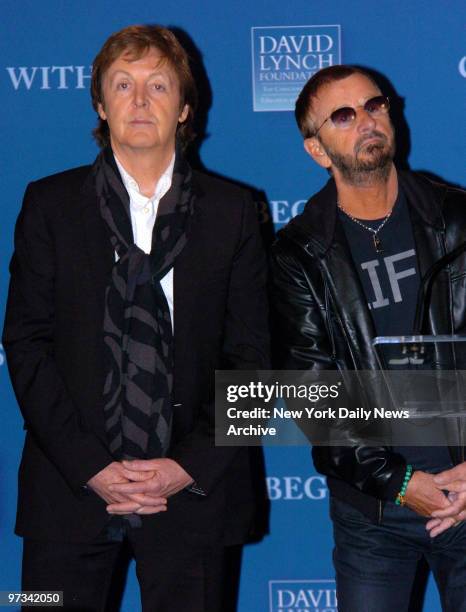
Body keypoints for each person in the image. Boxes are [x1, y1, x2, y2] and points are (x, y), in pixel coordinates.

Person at [2, 24, 269, 612]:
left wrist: (185, 466)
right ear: (100, 103)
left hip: (195, 499)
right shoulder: (49, 205)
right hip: (66, 493)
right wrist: (91, 466)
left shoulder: (234, 212)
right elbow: (26, 344)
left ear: (185, 108)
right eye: (123, 85)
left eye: (158, 85)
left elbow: (253, 362)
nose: (140, 100)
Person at [271, 65, 466, 611]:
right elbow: (312, 394)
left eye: (374, 105)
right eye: (343, 115)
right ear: (316, 148)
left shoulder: (457, 219)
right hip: (373, 515)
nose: (366, 121)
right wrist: (403, 483)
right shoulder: (299, 254)